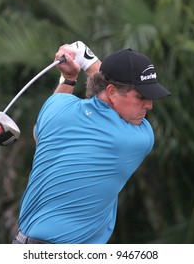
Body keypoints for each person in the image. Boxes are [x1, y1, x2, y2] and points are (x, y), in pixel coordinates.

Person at [12, 41, 171, 244]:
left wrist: (68, 78)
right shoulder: (135, 139)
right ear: (112, 92)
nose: (149, 105)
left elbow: (40, 135)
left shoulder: (56, 109)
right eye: (141, 97)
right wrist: (88, 59)